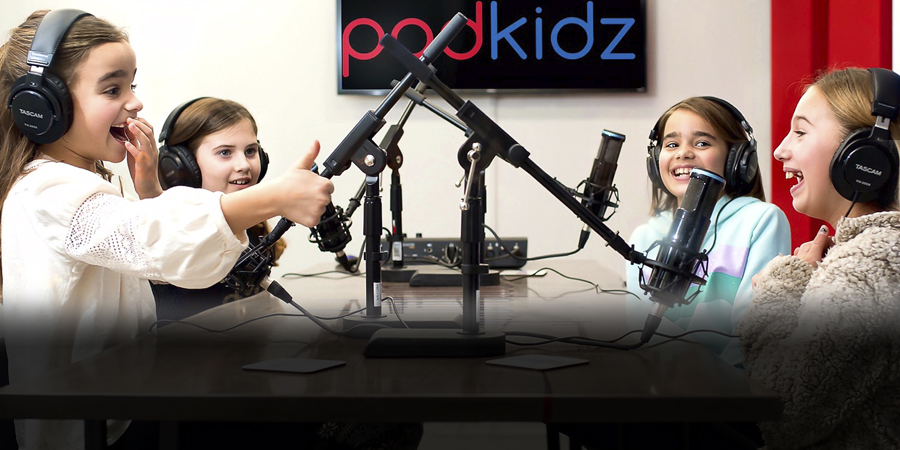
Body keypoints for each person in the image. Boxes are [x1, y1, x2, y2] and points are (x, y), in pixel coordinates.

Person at [0, 10, 333, 449]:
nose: (135, 103)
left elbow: (156, 260)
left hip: (124, 406)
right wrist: (273, 197)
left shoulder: (83, 185)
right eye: (112, 89)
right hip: (94, 430)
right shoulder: (47, 191)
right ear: (44, 105)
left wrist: (151, 193)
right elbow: (150, 240)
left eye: (132, 86)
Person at [738, 67, 900, 448]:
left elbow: (779, 410)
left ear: (864, 156)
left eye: (800, 132)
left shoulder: (870, 263)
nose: (779, 150)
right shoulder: (867, 253)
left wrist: (783, 284)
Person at [626, 96, 791, 368]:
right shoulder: (645, 237)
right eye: (671, 144)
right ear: (655, 161)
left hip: (727, 385)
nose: (683, 153)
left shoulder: (760, 221)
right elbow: (638, 333)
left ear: (738, 160)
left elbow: (753, 333)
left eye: (702, 143)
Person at [150, 97, 288, 321]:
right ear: (183, 166)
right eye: (225, 153)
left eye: (250, 151)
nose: (244, 165)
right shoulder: (174, 235)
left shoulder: (252, 229)